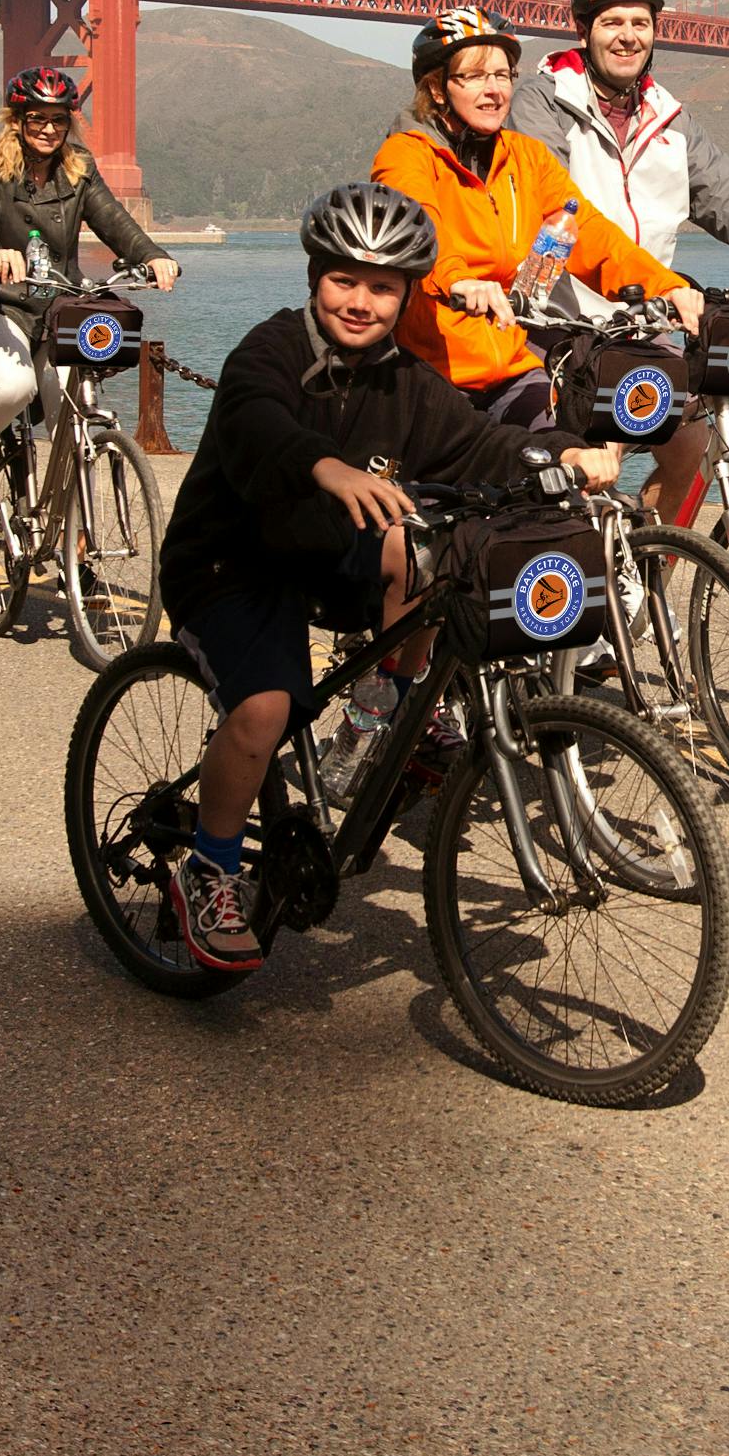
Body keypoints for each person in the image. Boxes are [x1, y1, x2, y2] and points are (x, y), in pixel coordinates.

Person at [150, 182, 623, 970]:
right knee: (264, 707)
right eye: (344, 280)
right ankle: (209, 867)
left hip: (324, 552)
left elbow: (479, 444)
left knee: (435, 552)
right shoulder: (269, 352)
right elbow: (255, 421)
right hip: (232, 558)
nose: (361, 302)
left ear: (406, 294)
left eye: (381, 287)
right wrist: (324, 465)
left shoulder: (407, 382)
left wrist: (564, 453)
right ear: (313, 278)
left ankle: (381, 713)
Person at [515, 0, 729, 511]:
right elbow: (557, 213)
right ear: (583, 29)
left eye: (640, 23)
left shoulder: (669, 117)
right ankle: (597, 574)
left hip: (646, 318)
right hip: (561, 322)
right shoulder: (543, 101)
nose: (627, 36)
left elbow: (728, 199)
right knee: (603, 457)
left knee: (694, 445)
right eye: (611, 22)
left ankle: (648, 573)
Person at [369, 5, 702, 427]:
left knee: (572, 468)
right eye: (473, 76)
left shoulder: (525, 157)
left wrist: (665, 287)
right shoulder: (407, 154)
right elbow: (419, 224)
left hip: (509, 366)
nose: (494, 91)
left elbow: (589, 232)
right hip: (430, 370)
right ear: (438, 89)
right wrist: (456, 279)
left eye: (503, 75)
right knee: (437, 488)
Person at [0, 67, 180, 516]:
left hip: (56, 309)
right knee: (15, 386)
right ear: (18, 119)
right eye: (38, 119)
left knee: (75, 425)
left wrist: (152, 255)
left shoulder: (79, 168)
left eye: (59, 120)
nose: (50, 129)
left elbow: (114, 219)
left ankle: (76, 545)